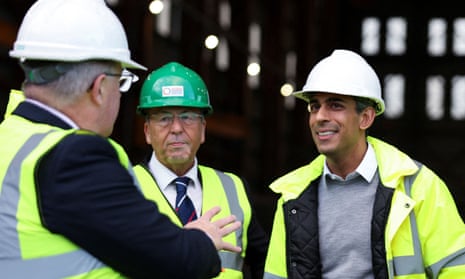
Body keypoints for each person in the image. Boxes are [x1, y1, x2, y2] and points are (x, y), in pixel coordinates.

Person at [0, 0, 242, 278]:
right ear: (100, 87)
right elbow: (176, 261)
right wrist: (202, 242)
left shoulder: (10, 138)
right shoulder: (74, 157)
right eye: (121, 83)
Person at [263, 49, 465, 279]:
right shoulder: (292, 196)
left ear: (366, 118)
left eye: (335, 105)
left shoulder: (418, 187)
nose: (319, 117)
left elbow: (457, 268)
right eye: (314, 106)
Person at [133, 62, 269, 279]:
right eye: (164, 118)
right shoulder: (123, 187)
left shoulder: (233, 188)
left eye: (187, 116)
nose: (177, 128)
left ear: (203, 129)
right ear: (148, 132)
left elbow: (267, 264)